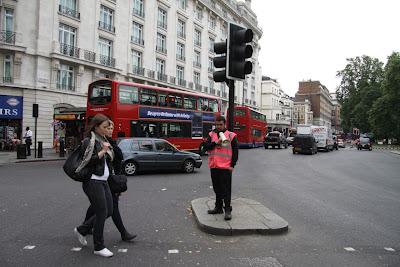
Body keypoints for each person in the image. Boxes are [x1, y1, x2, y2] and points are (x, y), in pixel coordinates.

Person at [82, 120, 136, 242]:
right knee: (111, 208)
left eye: (112, 128)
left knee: (99, 206)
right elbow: (92, 161)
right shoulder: (97, 143)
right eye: (107, 128)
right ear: (99, 128)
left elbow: (117, 160)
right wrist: (104, 151)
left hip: (110, 179)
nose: (110, 130)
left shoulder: (110, 141)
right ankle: (122, 233)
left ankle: (85, 227)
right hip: (103, 179)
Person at [73, 114, 115, 257]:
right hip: (92, 181)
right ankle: (99, 246)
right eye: (104, 127)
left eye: (108, 127)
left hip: (103, 181)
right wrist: (103, 151)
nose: (107, 130)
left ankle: (82, 229)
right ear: (96, 127)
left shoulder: (103, 139)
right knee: (102, 212)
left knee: (109, 210)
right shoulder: (88, 141)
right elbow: (88, 161)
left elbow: (108, 161)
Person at [203, 116, 238, 220]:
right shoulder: (211, 134)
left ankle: (227, 210)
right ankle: (218, 207)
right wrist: (215, 143)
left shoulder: (231, 135)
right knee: (216, 188)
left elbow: (235, 152)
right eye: (217, 124)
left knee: (226, 190)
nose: (218, 126)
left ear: (224, 124)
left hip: (226, 167)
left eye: (220, 125)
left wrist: (232, 165)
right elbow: (206, 147)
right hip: (214, 166)